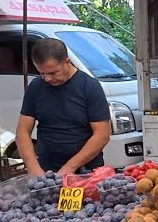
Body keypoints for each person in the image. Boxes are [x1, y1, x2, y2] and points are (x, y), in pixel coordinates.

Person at [17, 37, 111, 176]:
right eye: (42, 73)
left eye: (53, 73)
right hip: (47, 171)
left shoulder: (90, 87)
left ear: (67, 62)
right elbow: (23, 131)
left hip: (84, 171)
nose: (47, 79)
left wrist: (69, 168)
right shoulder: (36, 87)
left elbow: (102, 134)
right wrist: (33, 167)